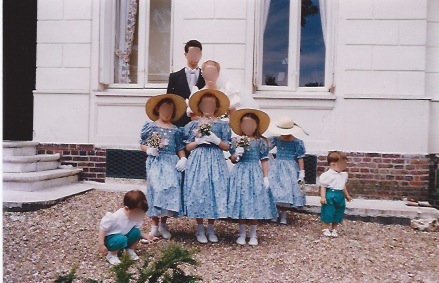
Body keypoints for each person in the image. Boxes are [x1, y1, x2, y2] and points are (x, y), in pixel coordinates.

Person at [183, 89, 231, 243]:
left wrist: (216, 140)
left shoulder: (222, 126)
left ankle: (211, 228)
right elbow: (187, 147)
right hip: (198, 159)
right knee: (199, 191)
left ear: (216, 106)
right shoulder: (192, 125)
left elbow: (227, 147)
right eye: (205, 104)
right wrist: (197, 141)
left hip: (216, 159)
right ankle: (199, 229)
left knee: (214, 191)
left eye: (211, 104)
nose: (208, 106)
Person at [140, 94, 188, 239]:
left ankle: (163, 224)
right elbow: (142, 144)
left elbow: (179, 147)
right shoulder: (151, 127)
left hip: (171, 163)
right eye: (164, 109)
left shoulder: (176, 130)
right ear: (158, 109)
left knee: (169, 191)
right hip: (156, 161)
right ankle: (154, 225)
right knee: (157, 189)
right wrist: (149, 150)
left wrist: (183, 157)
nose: (167, 112)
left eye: (170, 109)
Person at [227, 109, 277, 246]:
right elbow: (232, 160)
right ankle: (242, 233)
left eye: (251, 124)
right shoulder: (235, 141)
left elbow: (264, 159)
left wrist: (266, 177)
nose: (248, 127)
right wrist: (236, 154)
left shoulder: (261, 142)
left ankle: (253, 234)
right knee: (242, 202)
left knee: (254, 202)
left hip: (254, 172)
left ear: (256, 126)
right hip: (240, 172)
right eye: (245, 125)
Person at [267, 118, 307, 225]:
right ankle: (274, 213)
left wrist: (301, 172)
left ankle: (283, 214)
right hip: (277, 166)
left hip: (290, 168)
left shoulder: (297, 142)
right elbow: (266, 147)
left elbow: (300, 157)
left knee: (287, 189)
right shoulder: (276, 140)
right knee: (275, 188)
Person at [98, 190, 152, 265]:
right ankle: (112, 255)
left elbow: (137, 230)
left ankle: (130, 250)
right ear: (127, 209)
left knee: (136, 232)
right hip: (111, 239)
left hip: (124, 236)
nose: (139, 215)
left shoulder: (135, 217)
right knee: (121, 238)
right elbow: (103, 229)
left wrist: (146, 236)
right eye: (137, 213)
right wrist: (101, 244)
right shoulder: (115, 217)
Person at [167, 40, 205, 127]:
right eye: (192, 53)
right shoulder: (175, 77)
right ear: (186, 54)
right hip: (180, 121)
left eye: (197, 53)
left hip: (201, 122)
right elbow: (170, 99)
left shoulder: (205, 77)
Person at [319, 151, 353, 237]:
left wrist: (347, 195)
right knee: (328, 211)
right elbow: (323, 186)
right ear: (333, 164)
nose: (344, 167)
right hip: (331, 194)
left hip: (340, 195)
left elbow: (343, 185)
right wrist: (323, 197)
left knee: (339, 211)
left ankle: (334, 229)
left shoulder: (343, 175)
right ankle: (326, 228)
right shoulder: (327, 175)